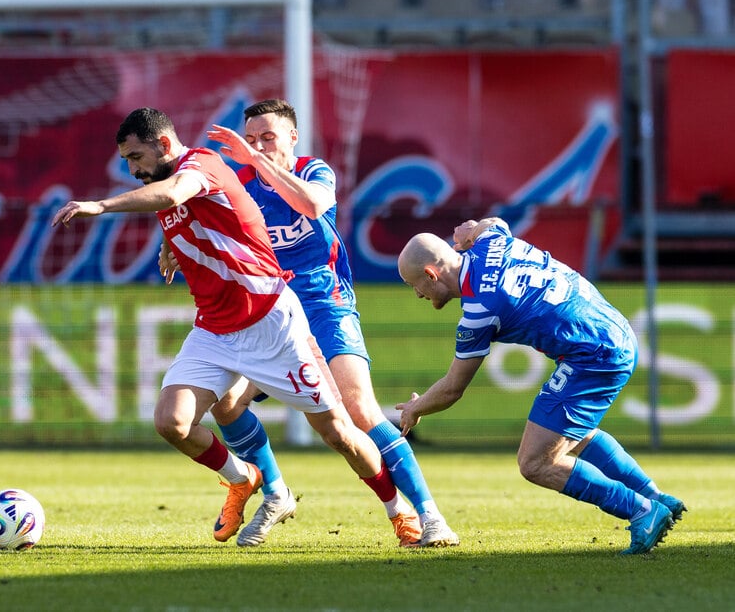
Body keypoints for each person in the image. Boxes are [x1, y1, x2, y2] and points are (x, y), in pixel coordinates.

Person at [52, 107, 417, 547]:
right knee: (172, 422)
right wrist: (172, 248)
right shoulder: (163, 181)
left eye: (135, 157)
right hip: (215, 331)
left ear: (164, 145)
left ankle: (399, 509)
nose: (132, 170)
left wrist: (100, 205)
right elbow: (196, 218)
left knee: (340, 432)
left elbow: (175, 196)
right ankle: (247, 478)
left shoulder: (199, 165)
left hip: (272, 323)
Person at [169, 98, 457, 548]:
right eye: (251, 139)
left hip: (324, 303)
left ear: (292, 138)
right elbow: (200, 219)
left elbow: (311, 204)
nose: (258, 146)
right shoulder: (238, 182)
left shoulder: (314, 170)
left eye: (268, 137)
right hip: (267, 311)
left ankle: (425, 515)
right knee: (226, 406)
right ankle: (275, 493)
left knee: (359, 411)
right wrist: (173, 246)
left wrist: (258, 163)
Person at [394, 217, 686, 555]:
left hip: (592, 353)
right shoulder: (492, 243)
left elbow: (452, 388)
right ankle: (654, 497)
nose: (416, 293)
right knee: (569, 435)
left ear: (431, 274)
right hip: (613, 330)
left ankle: (641, 511)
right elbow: (493, 223)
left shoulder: (478, 310)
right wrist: (471, 230)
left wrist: (416, 408)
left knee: (535, 462)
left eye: (414, 284)